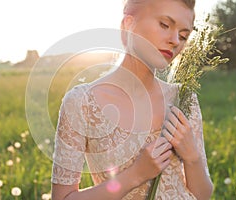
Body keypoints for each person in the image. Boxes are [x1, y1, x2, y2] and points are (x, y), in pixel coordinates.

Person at [51, 0, 213, 199]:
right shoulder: (82, 102)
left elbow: (203, 195)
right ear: (128, 24)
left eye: (183, 35)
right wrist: (136, 175)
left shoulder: (184, 98)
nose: (175, 41)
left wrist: (192, 157)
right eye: (164, 25)